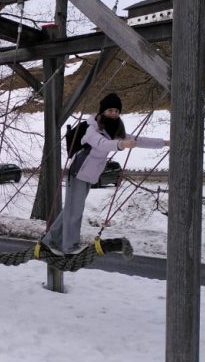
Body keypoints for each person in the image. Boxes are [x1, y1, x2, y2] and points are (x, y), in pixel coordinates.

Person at [42, 92, 170, 256]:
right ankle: (69, 247)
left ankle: (49, 241)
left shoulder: (114, 131)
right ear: (102, 111)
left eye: (117, 111)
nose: (114, 114)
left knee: (71, 209)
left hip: (89, 175)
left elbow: (141, 140)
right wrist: (121, 144)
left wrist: (164, 143)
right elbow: (102, 144)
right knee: (75, 211)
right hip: (78, 173)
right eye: (110, 110)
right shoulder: (92, 129)